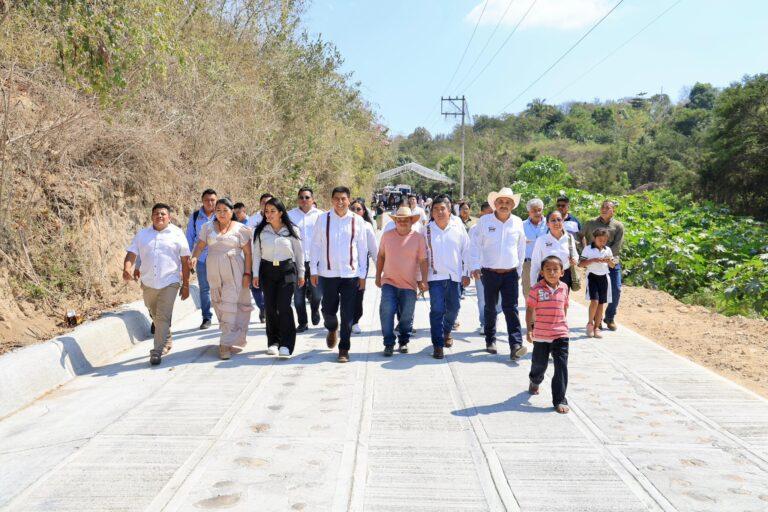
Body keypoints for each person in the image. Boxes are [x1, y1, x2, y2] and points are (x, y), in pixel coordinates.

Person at [123, 203, 191, 365]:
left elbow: (185, 259)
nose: (159, 216)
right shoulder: (143, 234)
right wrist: (127, 268)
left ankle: (156, 351)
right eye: (156, 214)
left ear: (169, 217)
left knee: (162, 316)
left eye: (163, 214)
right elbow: (132, 253)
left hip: (170, 281)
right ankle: (166, 339)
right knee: (154, 314)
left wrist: (186, 284)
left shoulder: (177, 234)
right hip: (148, 282)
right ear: (151, 216)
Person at [310, 186, 368, 363]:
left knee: (348, 313)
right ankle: (331, 327)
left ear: (349, 200)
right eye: (337, 198)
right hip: (328, 274)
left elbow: (362, 248)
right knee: (328, 310)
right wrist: (313, 269)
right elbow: (316, 245)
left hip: (350, 274)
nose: (340, 202)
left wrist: (362, 275)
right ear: (332, 200)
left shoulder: (357, 221)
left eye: (343, 198)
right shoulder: (323, 219)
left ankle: (344, 348)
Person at [189, 198, 254, 360]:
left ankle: (225, 344)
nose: (221, 213)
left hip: (234, 270)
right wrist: (195, 257)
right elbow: (200, 245)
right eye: (218, 210)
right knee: (219, 304)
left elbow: (248, 253)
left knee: (231, 303)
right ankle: (229, 335)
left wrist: (247, 273)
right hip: (213, 270)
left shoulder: (240, 229)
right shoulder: (207, 227)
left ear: (232, 212)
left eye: (225, 210)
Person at [470, 187, 527, 359]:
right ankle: (490, 339)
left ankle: (516, 344)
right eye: (500, 202)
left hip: (510, 273)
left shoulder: (517, 222)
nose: (504, 205)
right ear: (494, 204)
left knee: (511, 309)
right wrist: (475, 266)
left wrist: (518, 270)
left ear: (512, 205)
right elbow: (475, 244)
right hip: (489, 273)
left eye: (507, 202)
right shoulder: (484, 221)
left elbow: (521, 247)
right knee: (490, 308)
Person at [252, 198, 304, 358]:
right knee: (270, 307)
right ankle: (273, 342)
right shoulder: (261, 231)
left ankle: (286, 345)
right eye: (266, 211)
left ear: (281, 213)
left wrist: (301, 274)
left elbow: (299, 253)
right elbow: (257, 254)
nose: (269, 214)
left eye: (272, 211)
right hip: (267, 271)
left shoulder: (291, 230)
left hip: (287, 271)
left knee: (284, 306)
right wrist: (255, 274)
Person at [375, 206, 428, 356]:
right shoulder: (387, 235)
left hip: (409, 284)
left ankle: (403, 341)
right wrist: (378, 275)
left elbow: (423, 261)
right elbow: (381, 256)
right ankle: (389, 343)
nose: (403, 222)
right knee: (386, 311)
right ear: (396, 221)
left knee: (406, 315)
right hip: (389, 282)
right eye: (400, 220)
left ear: (412, 221)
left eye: (406, 220)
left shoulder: (418, 238)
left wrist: (423, 280)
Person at [425, 196, 470, 359]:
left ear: (449, 211)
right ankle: (438, 345)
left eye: (442, 209)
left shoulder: (458, 228)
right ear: (431, 212)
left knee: (454, 308)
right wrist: (422, 279)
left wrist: (466, 273)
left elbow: (467, 250)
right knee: (437, 310)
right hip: (434, 277)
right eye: (435, 209)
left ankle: (446, 331)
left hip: (455, 277)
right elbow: (422, 256)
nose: (439, 212)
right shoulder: (426, 230)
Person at [526, 255, 571, 414]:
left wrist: (563, 323)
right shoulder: (535, 289)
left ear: (562, 272)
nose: (552, 272)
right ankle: (535, 380)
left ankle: (559, 399)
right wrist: (530, 329)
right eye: (548, 269)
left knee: (561, 367)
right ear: (542, 272)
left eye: (555, 269)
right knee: (539, 364)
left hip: (560, 333)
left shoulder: (565, 287)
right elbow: (530, 309)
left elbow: (564, 307)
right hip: (541, 334)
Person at [583, 200, 624, 331]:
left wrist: (607, 255)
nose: (604, 209)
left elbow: (617, 245)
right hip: (595, 263)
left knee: (616, 289)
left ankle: (610, 317)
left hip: (611, 260)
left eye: (607, 207)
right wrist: (584, 251)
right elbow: (579, 236)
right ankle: (596, 320)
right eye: (602, 207)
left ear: (613, 211)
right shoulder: (590, 223)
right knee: (596, 294)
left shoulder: (618, 226)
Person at [288, 187, 324, 332]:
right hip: (297, 262)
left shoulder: (321, 216)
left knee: (316, 294)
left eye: (307, 197)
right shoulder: (290, 216)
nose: (304, 200)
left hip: (316, 261)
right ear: (298, 199)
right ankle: (302, 322)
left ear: (313, 199)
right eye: (301, 197)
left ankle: (315, 309)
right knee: (298, 297)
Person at [186, 189, 217, 329]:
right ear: (202, 201)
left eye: (212, 200)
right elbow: (190, 238)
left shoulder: (222, 214)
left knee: (221, 287)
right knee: (204, 289)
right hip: (202, 258)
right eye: (207, 200)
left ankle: (225, 316)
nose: (210, 203)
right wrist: (189, 257)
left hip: (220, 257)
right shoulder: (195, 217)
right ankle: (206, 317)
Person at [470, 202, 501, 335]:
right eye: (487, 212)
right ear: (481, 213)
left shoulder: (500, 226)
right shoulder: (474, 229)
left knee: (499, 299)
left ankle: (493, 316)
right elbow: (471, 249)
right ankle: (485, 323)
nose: (490, 215)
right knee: (482, 298)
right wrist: (472, 267)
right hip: (481, 270)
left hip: (498, 269)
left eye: (492, 212)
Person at [579, 228, 615, 338]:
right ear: (594, 238)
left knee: (601, 303)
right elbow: (581, 264)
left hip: (604, 277)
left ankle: (597, 327)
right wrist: (593, 260)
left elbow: (612, 266)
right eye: (600, 239)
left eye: (604, 240)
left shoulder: (607, 250)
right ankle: (590, 324)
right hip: (593, 277)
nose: (602, 242)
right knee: (594, 301)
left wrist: (609, 261)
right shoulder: (588, 249)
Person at [529, 210, 579, 289]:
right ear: (547, 224)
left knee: (562, 301)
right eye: (553, 220)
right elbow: (535, 264)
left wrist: (574, 260)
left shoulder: (569, 238)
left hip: (565, 277)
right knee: (546, 301)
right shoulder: (541, 240)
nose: (556, 222)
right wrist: (533, 285)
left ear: (562, 221)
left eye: (559, 219)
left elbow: (575, 255)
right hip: (546, 277)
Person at [351, 199, 379, 334]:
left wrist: (379, 268)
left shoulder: (367, 226)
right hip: (345, 263)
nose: (355, 211)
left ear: (363, 211)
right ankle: (347, 318)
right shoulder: (342, 223)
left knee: (358, 292)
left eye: (358, 209)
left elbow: (374, 249)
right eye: (353, 209)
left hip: (362, 263)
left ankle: (355, 321)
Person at [247, 193, 274, 322]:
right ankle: (263, 308)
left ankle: (270, 309)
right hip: (255, 260)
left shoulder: (278, 219)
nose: (266, 205)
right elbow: (246, 240)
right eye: (263, 203)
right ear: (260, 204)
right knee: (256, 288)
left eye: (269, 203)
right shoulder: (252, 220)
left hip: (273, 260)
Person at [522, 198, 548, 298]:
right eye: (533, 211)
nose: (537, 213)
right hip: (528, 263)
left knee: (545, 294)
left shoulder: (549, 224)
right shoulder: (522, 225)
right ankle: (530, 314)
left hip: (546, 263)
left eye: (539, 210)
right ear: (529, 211)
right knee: (529, 294)